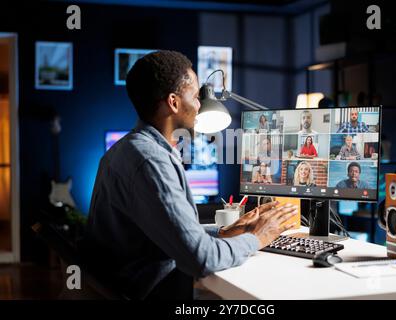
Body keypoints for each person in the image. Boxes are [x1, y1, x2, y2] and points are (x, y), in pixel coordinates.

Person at [82, 50, 297, 300]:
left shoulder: (129, 149)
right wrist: (257, 237)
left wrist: (225, 232)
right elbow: (201, 259)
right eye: (196, 97)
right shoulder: (152, 162)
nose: (199, 106)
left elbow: (167, 234)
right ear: (173, 102)